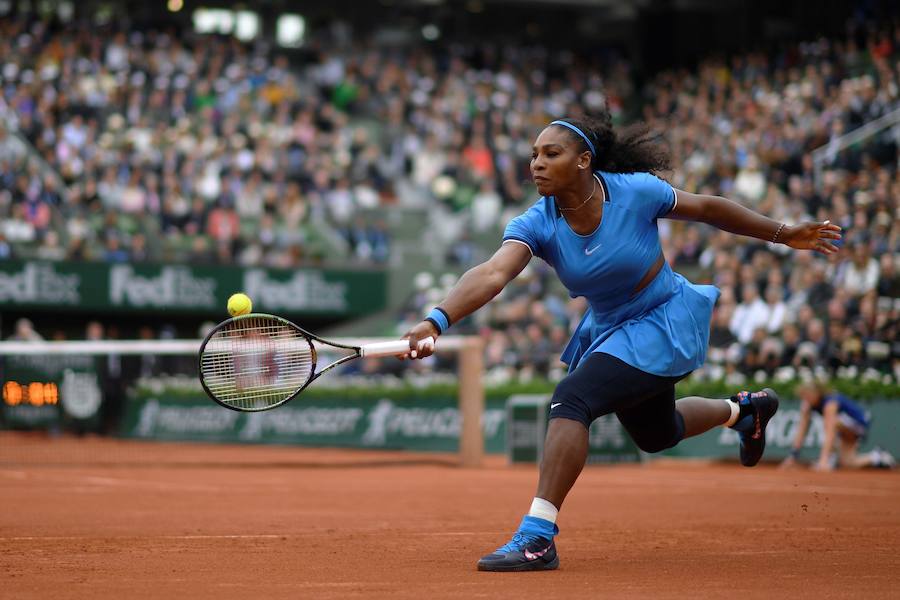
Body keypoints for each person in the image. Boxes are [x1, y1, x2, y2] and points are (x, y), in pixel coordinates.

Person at [402, 113, 842, 572]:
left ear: (583, 161)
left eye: (551, 154)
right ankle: (745, 411)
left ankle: (537, 537)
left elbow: (709, 208)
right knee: (659, 434)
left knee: (571, 399)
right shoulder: (538, 221)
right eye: (534, 154)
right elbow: (493, 272)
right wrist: (437, 319)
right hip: (613, 329)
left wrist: (782, 233)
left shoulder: (633, 191)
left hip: (663, 318)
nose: (537, 163)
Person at [781, 382, 896, 471]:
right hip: (845, 428)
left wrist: (823, 461)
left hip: (859, 425)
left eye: (807, 395)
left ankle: (828, 458)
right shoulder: (807, 405)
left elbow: (830, 432)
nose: (805, 399)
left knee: (831, 423)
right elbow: (802, 430)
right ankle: (878, 456)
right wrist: (793, 456)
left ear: (816, 393)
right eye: (803, 396)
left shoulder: (830, 403)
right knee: (848, 463)